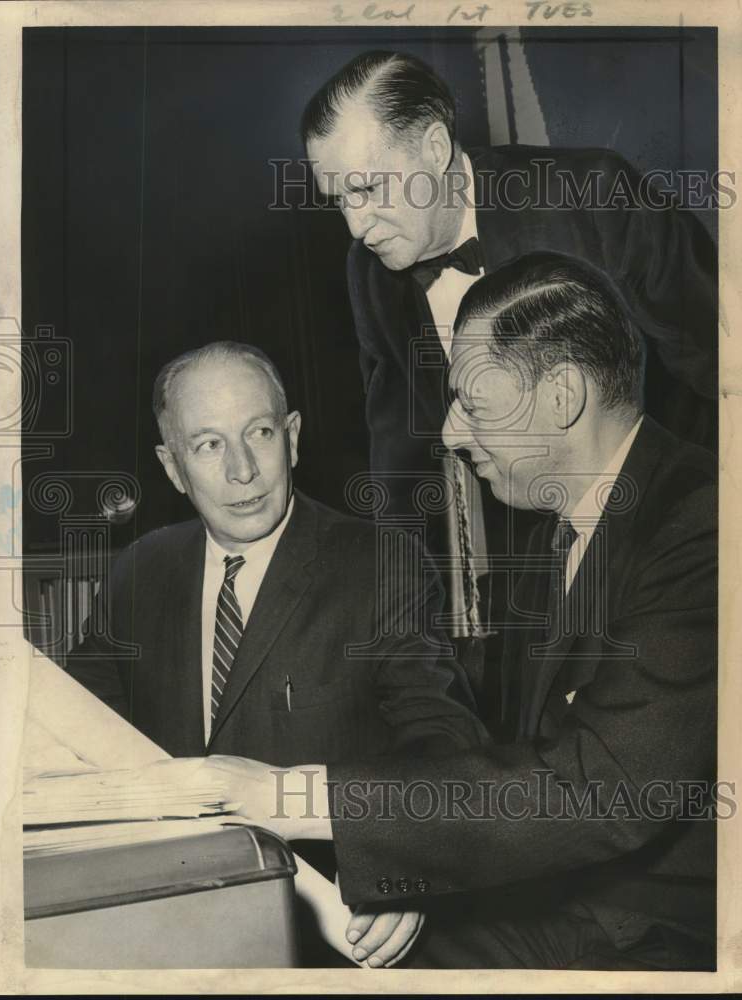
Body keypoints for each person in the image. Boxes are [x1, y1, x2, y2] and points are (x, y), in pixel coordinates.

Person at [199, 254, 717, 971]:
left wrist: (275, 795)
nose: (448, 434)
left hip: (676, 937)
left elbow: (600, 791)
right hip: (567, 902)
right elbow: (503, 765)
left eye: (471, 404)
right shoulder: (550, 531)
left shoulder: (706, 526)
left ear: (561, 396)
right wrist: (409, 866)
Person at [300, 49, 718, 720]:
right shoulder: (369, 271)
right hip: (523, 581)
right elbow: (399, 457)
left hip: (666, 541)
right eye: (337, 200)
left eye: (368, 189)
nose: (354, 224)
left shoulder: (592, 197)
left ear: (434, 145)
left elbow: (719, 366)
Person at [64, 340, 487, 966]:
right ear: (172, 466)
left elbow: (449, 745)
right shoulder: (138, 570)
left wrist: (403, 866)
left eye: (258, 432)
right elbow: (71, 718)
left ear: (291, 438)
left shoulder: (379, 565)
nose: (243, 471)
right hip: (161, 923)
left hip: (323, 937)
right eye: (208, 444)